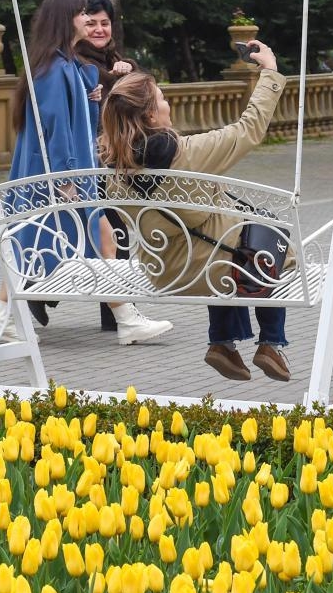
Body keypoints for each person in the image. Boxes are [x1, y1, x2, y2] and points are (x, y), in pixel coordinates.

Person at [0, 0, 173, 346]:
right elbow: (53, 128)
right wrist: (66, 179)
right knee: (31, 248)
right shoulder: (53, 69)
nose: (89, 20)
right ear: (65, 19)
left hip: (69, 176)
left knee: (93, 241)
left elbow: (78, 125)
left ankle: (126, 319)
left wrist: (90, 101)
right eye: (82, 14)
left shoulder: (65, 65)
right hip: (58, 178)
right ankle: (0, 319)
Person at [98, 41, 291, 381]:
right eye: (162, 99)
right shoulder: (186, 154)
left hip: (163, 272)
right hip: (211, 266)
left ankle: (224, 344)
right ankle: (271, 343)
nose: (167, 104)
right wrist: (270, 72)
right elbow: (249, 129)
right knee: (269, 242)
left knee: (220, 243)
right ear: (149, 115)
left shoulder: (112, 168)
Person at [75, 0, 136, 332]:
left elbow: (140, 87)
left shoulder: (110, 57)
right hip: (88, 160)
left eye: (104, 23)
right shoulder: (79, 61)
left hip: (108, 159)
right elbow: (107, 90)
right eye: (92, 22)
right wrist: (119, 77)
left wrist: (126, 70)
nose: (99, 29)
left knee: (104, 230)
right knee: (110, 230)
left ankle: (116, 312)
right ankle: (119, 312)